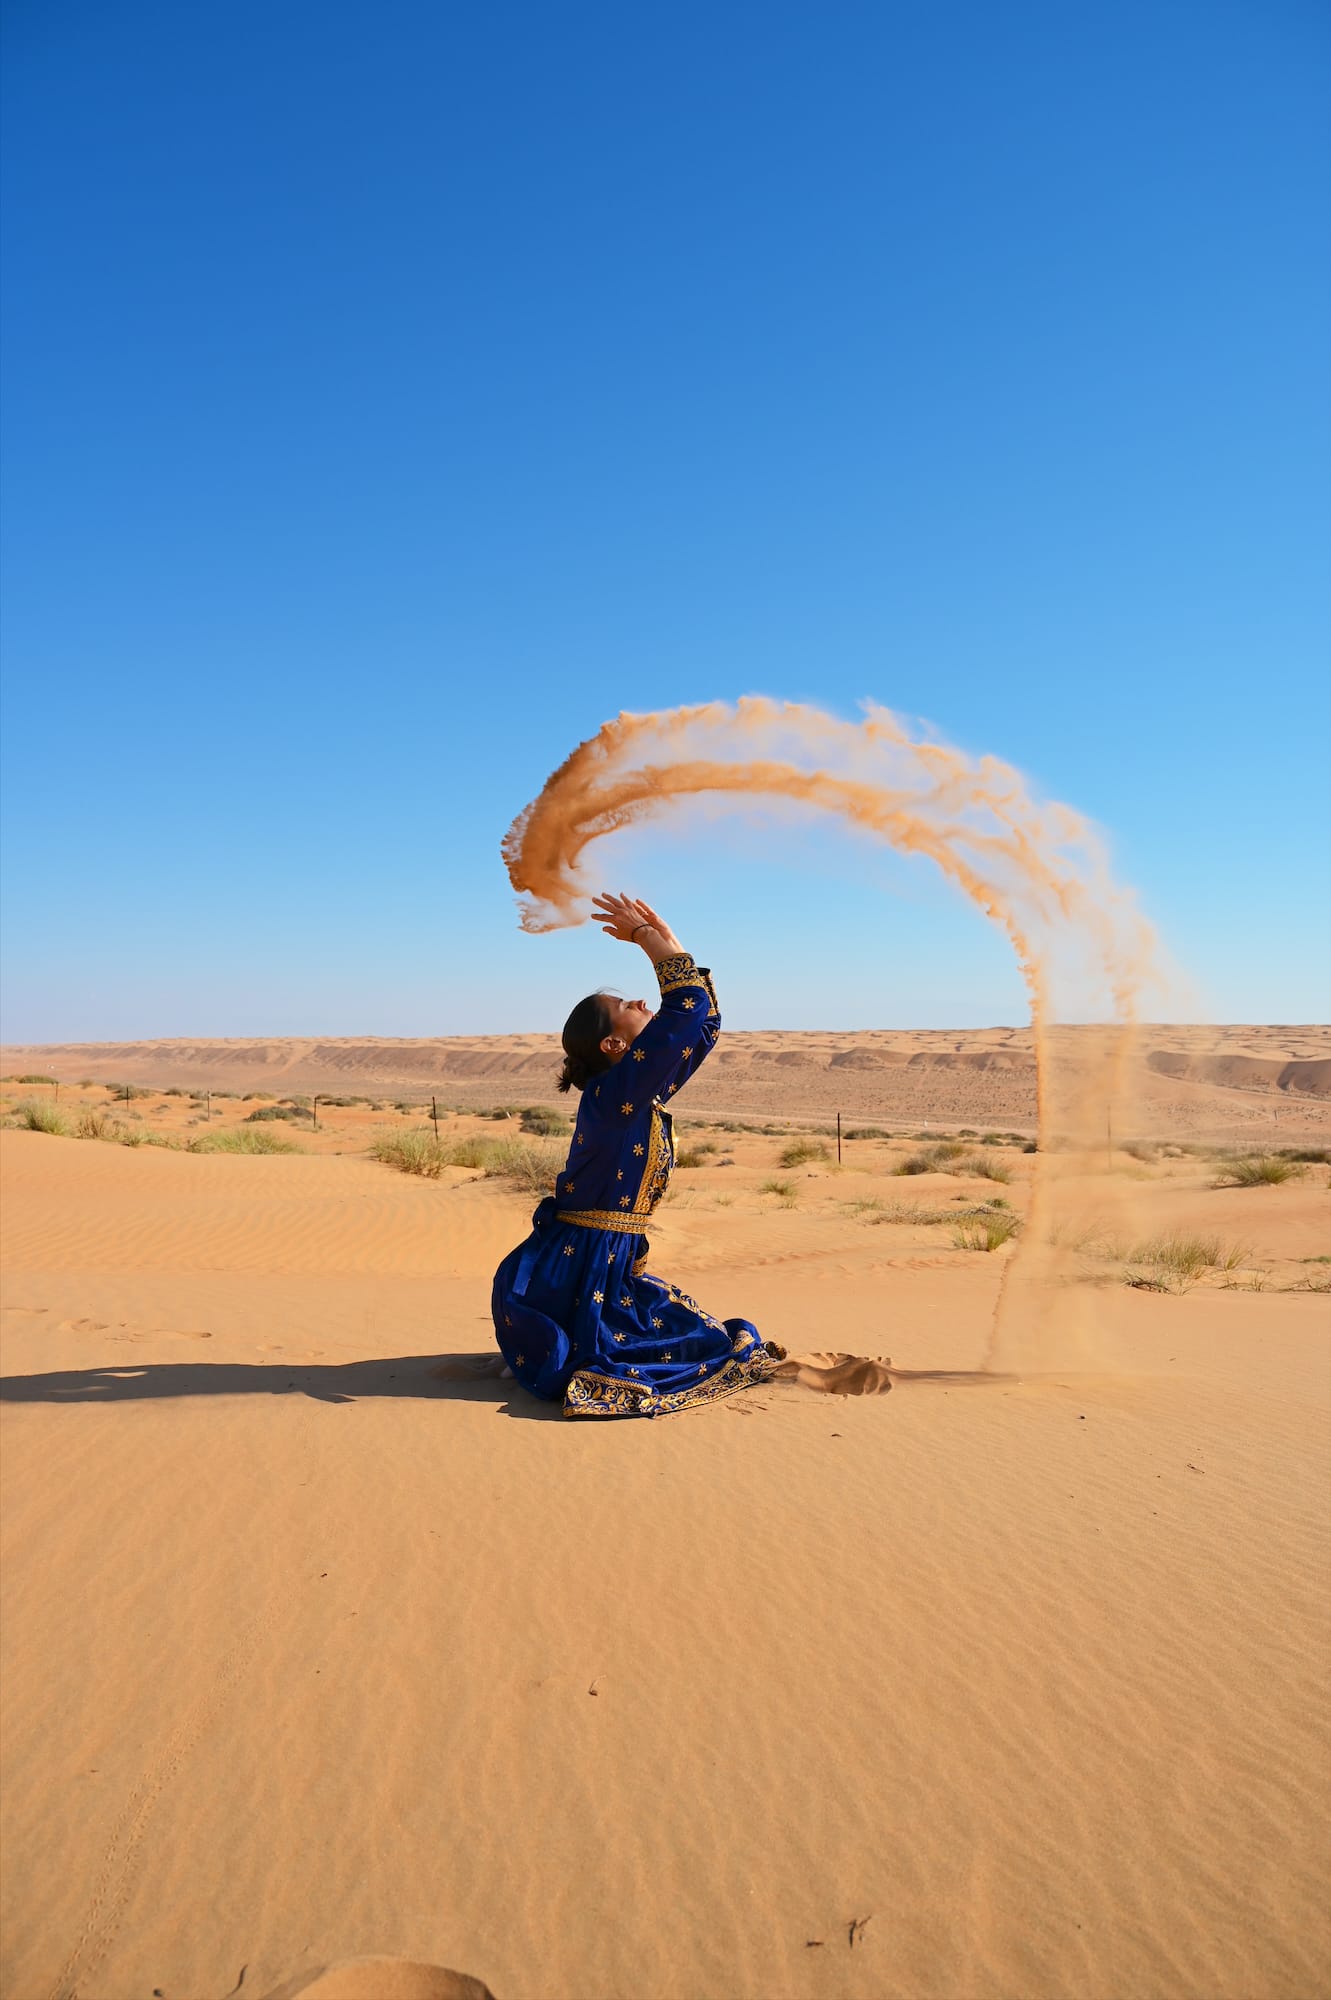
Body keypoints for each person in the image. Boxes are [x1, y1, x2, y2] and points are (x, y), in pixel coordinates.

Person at [492, 891, 785, 1417]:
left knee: (698, 1336)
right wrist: (647, 941)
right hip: (582, 1267)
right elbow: (683, 1011)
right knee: (695, 1348)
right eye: (629, 1006)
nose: (643, 1005)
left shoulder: (635, 1093)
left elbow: (702, 1026)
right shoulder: (615, 1095)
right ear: (612, 1046)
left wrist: (668, 939)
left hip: (607, 1263)